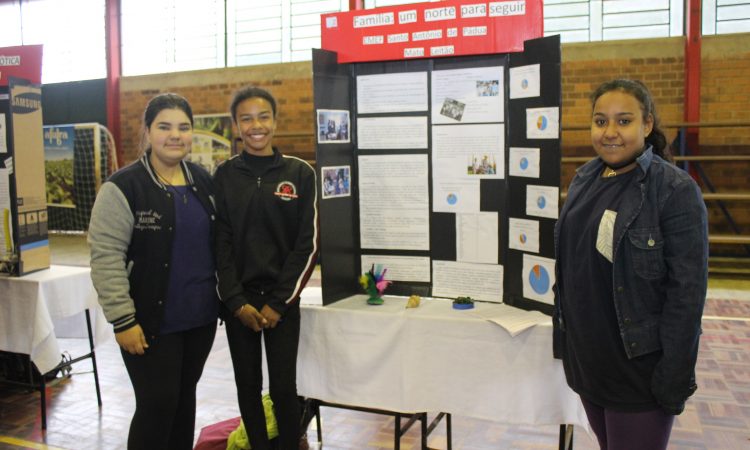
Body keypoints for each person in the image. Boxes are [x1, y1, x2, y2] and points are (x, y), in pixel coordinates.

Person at [553, 79, 708, 450]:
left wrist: (673, 375)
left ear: (647, 125)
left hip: (639, 370)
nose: (610, 133)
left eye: (624, 121)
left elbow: (686, 296)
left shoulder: (674, 191)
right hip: (591, 363)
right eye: (600, 121)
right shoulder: (584, 179)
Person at [88, 93, 218, 450]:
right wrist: (123, 320)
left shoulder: (204, 183)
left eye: (183, 127)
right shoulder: (124, 187)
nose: (175, 135)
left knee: (184, 401)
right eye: (164, 126)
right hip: (148, 324)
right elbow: (105, 256)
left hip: (199, 319)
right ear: (147, 132)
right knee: (157, 404)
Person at [214, 86, 318, 450]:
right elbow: (219, 244)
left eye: (263, 117)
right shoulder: (223, 176)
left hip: (282, 305)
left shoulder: (301, 174)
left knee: (284, 388)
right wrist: (235, 302)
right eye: (246, 119)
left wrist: (278, 303)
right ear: (235, 126)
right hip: (239, 303)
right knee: (247, 385)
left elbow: (308, 246)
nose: (256, 126)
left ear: (275, 122)